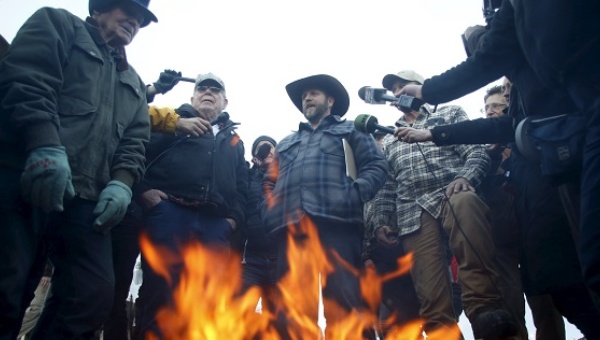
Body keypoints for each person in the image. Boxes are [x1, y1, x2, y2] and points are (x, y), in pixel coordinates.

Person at [397, 0, 600, 298]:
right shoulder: (515, 28)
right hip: (564, 151)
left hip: (580, 128)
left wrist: (430, 92)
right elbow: (504, 114)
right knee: (562, 274)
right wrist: (431, 129)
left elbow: (491, 55)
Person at [0, 0, 155, 338]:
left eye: (141, 17)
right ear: (99, 8)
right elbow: (27, 80)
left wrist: (122, 184)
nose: (135, 20)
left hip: (86, 200)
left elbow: (134, 143)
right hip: (25, 178)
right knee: (9, 286)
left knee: (92, 295)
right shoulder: (57, 25)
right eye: (126, 9)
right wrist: (43, 143)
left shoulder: (133, 83)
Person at [370, 70, 516, 339]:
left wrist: (465, 177)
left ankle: (485, 309)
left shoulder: (449, 114)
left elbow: (476, 152)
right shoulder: (389, 139)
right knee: (431, 300)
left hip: (454, 194)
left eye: (405, 86)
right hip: (413, 212)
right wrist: (380, 221)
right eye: (395, 89)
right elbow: (387, 187)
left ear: (420, 89)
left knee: (465, 203)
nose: (398, 92)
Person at [262, 74, 388, 338]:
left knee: (347, 306)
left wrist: (352, 195)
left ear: (329, 101)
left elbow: (376, 166)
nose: (307, 98)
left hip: (338, 226)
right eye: (304, 96)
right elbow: (268, 182)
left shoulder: (352, 129)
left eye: (313, 93)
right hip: (293, 229)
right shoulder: (286, 142)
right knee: (293, 311)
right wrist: (271, 209)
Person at [133, 72, 247, 339]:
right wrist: (144, 192)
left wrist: (232, 220)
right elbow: (137, 150)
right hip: (169, 215)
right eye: (202, 88)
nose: (208, 92)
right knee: (159, 294)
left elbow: (243, 185)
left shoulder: (234, 140)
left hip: (214, 226)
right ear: (192, 96)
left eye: (215, 90)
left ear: (225, 102)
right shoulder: (171, 121)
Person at [241, 135, 278, 314]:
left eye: (271, 147)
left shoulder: (285, 176)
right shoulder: (247, 176)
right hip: (250, 259)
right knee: (240, 314)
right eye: (262, 149)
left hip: (278, 258)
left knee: (276, 318)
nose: (268, 151)